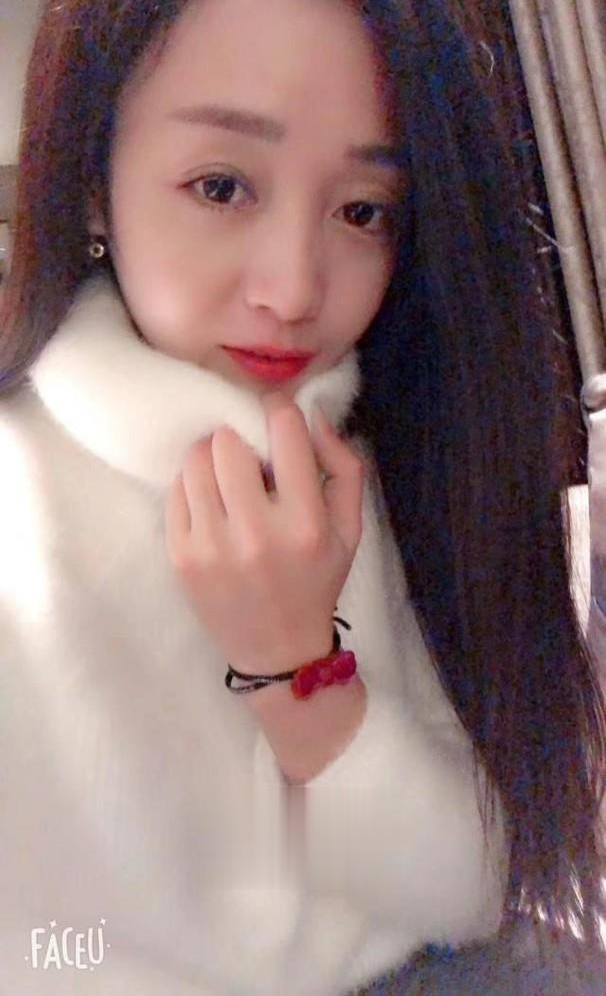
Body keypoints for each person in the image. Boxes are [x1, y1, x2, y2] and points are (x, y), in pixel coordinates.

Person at [0, 0, 604, 992]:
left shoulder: (380, 447)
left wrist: (298, 672)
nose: (293, 291)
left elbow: (473, 887)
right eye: (222, 185)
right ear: (94, 187)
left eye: (363, 211)